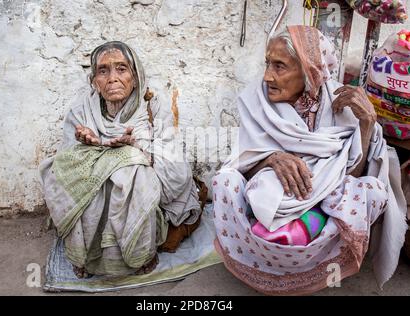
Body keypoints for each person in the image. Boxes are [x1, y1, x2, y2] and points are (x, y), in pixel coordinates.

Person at [212, 26, 407, 295]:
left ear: (309, 71)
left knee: (371, 191)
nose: (268, 75)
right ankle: (259, 266)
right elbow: (241, 163)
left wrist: (366, 124)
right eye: (267, 63)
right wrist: (271, 158)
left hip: (323, 198)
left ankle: (310, 269)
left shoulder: (341, 103)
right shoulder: (257, 101)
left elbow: (354, 174)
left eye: (279, 66)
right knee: (224, 181)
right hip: (274, 197)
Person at [39, 41, 202, 278]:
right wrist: (87, 146)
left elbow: (176, 169)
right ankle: (86, 252)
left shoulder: (152, 108)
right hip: (96, 191)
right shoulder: (82, 110)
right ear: (94, 81)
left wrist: (136, 146)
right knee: (82, 171)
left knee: (132, 169)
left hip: (143, 183)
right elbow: (65, 162)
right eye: (103, 71)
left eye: (121, 69)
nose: (112, 78)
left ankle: (141, 251)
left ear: (135, 77)